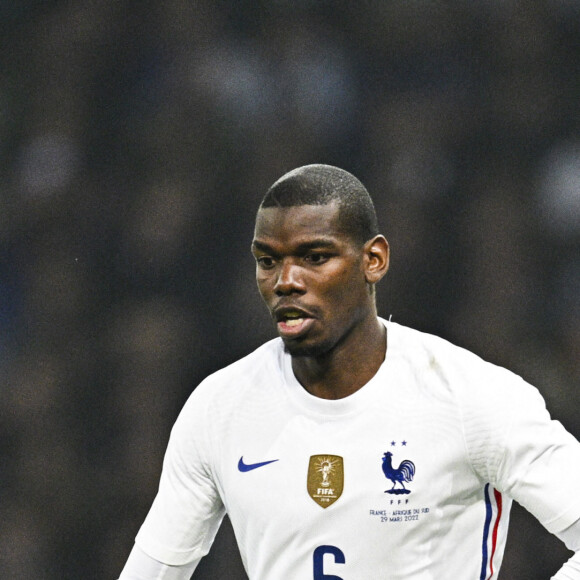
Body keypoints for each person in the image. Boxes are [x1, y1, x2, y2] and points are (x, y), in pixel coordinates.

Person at [119, 164, 580, 579]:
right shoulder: (219, 408)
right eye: (268, 261)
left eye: (315, 257)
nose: (286, 281)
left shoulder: (470, 395)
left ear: (373, 260)